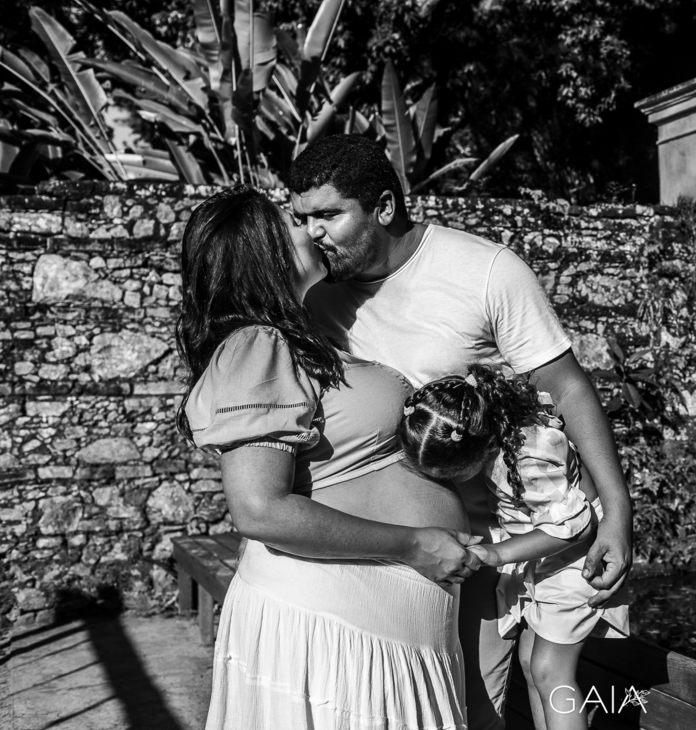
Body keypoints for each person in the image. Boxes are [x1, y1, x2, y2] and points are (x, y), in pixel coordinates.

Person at [289, 134, 633, 729]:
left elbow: (569, 387)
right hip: (404, 551)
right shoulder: (315, 302)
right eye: (301, 218)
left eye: (327, 215)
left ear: (383, 207)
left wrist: (618, 513)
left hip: (515, 533)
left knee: (516, 689)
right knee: (447, 706)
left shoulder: (485, 271)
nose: (311, 233)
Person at [176, 185, 480, 730]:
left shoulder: (295, 340)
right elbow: (259, 509)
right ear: (264, 254)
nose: (313, 229)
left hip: (367, 623)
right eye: (293, 223)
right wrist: (415, 544)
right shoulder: (258, 345)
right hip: (336, 624)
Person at [398, 364, 630, 730]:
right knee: (530, 662)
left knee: (550, 670)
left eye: (453, 475)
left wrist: (497, 554)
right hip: (549, 558)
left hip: (576, 560)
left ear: (477, 450)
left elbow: (574, 526)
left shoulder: (530, 459)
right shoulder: (501, 436)